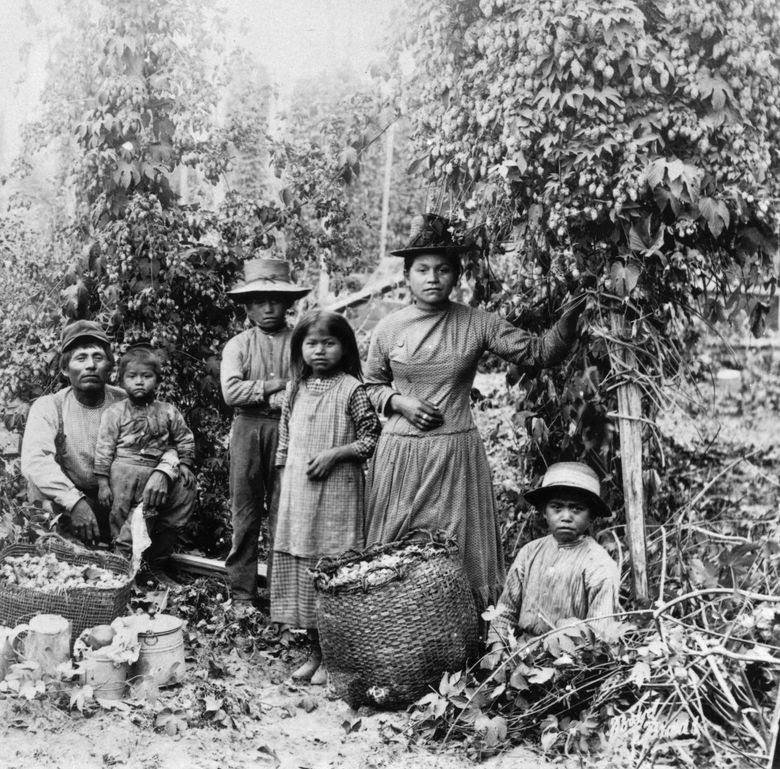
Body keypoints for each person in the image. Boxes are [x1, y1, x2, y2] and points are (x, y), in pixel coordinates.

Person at [364, 214, 586, 611]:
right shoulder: (389, 328)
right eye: (423, 269)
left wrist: (567, 322)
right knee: (395, 549)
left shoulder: (475, 323)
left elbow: (537, 352)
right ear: (407, 276)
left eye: (443, 269)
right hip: (399, 454)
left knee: (455, 550)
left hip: (454, 456)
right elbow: (370, 386)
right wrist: (400, 402)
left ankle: (458, 638)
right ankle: (392, 634)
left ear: (457, 275)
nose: (433, 278)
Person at [271, 311, 382, 685]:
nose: (319, 351)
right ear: (299, 348)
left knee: (333, 571)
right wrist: (283, 487)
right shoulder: (294, 389)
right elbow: (284, 443)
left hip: (339, 495)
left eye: (329, 343)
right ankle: (315, 653)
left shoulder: (352, 389)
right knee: (304, 574)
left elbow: (371, 438)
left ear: (345, 347)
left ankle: (336, 660)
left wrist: (336, 454)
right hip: (299, 499)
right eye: (311, 343)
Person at [21, 321, 181, 551]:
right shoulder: (50, 406)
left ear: (110, 367)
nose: (90, 366)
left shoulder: (128, 401)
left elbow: (171, 442)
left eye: (98, 357)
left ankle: (153, 559)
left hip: (117, 501)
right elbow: (35, 461)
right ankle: (61, 547)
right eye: (81, 358)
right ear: (66, 369)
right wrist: (74, 501)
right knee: (39, 486)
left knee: (180, 480)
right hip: (71, 505)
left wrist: (163, 472)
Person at [221, 256, 312, 612]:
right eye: (260, 300)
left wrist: (281, 393)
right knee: (244, 513)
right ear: (248, 306)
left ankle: (280, 597)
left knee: (284, 512)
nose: (269, 308)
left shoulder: (302, 342)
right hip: (247, 429)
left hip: (291, 431)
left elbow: (308, 388)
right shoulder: (239, 345)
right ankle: (242, 594)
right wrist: (276, 387)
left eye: (276, 299)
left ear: (289, 302)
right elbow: (232, 392)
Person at [487, 462, 620, 648]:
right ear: (544, 512)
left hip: (573, 660)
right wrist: (497, 648)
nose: (566, 516)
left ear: (591, 515)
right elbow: (506, 610)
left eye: (576, 509)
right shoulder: (529, 553)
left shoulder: (599, 565)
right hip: (520, 652)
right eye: (557, 508)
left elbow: (599, 636)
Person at [93, 345, 197, 584]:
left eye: (146, 376)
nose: (139, 382)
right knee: (119, 520)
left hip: (153, 472)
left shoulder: (168, 412)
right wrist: (102, 482)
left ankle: (151, 567)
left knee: (146, 518)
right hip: (122, 472)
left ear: (158, 380)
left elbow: (183, 437)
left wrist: (186, 464)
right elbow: (104, 446)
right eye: (132, 376)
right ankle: (119, 573)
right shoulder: (115, 412)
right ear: (121, 380)